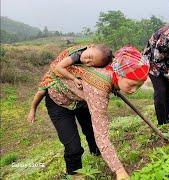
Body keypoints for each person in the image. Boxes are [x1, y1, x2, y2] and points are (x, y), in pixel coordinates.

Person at [29, 45, 149, 179]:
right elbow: (102, 135)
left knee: (91, 133)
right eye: (131, 84)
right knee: (73, 147)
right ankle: (75, 174)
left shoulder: (108, 62)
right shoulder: (99, 88)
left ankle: (97, 157)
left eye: (138, 86)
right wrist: (119, 170)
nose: (134, 90)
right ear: (118, 74)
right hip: (59, 102)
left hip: (81, 99)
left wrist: (116, 86)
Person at [27, 44, 113, 123]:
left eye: (91, 63)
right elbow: (59, 67)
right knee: (41, 91)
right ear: (90, 47)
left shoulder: (96, 55)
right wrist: (74, 79)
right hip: (53, 74)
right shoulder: (76, 55)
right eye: (89, 56)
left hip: (76, 98)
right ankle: (33, 108)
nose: (87, 61)